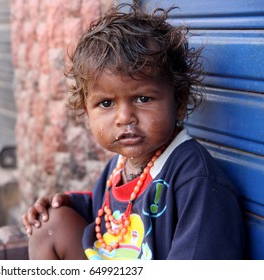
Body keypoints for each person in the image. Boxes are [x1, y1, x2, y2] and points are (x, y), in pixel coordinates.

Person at [22, 2, 245, 260]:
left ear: (180, 102)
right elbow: (105, 212)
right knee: (51, 225)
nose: (125, 118)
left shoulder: (195, 180)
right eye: (106, 103)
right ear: (86, 110)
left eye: (143, 99)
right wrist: (63, 204)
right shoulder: (120, 165)